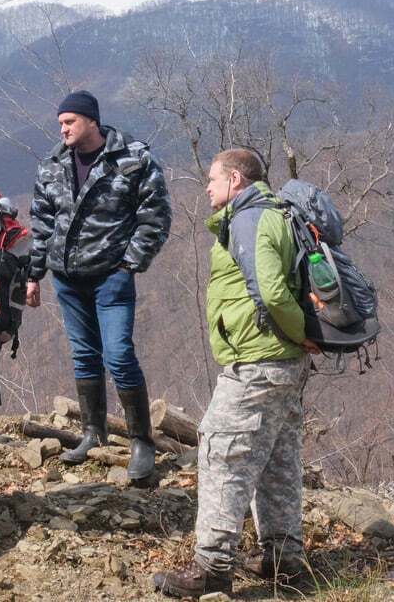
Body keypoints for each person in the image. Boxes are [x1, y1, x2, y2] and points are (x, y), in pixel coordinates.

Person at [153, 148, 318, 598]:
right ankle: (284, 561)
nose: (206, 186)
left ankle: (211, 568)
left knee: (222, 454)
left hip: (259, 363)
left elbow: (271, 294)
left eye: (213, 178)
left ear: (237, 180)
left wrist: (302, 333)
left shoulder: (250, 220)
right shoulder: (275, 215)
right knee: (278, 460)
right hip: (283, 365)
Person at [26, 90, 172, 481]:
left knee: (119, 355)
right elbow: (41, 224)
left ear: (92, 120)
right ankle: (93, 432)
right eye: (60, 123)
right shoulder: (53, 164)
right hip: (68, 278)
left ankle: (142, 441)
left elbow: (155, 217)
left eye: (70, 122)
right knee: (84, 355)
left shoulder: (133, 159)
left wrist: (130, 264)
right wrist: (33, 273)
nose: (63, 129)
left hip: (112, 276)